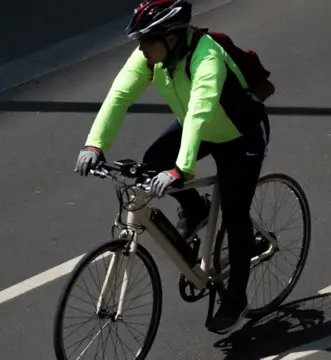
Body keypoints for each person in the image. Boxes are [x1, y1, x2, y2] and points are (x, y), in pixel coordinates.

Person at [73, 0, 271, 334]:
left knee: (236, 218)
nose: (140, 49)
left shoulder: (207, 57)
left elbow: (198, 112)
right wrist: (95, 144)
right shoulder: (152, 58)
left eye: (146, 41)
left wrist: (182, 170)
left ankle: (235, 298)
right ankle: (196, 211)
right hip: (203, 129)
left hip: (240, 136)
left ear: (172, 38)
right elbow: (118, 96)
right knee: (153, 163)